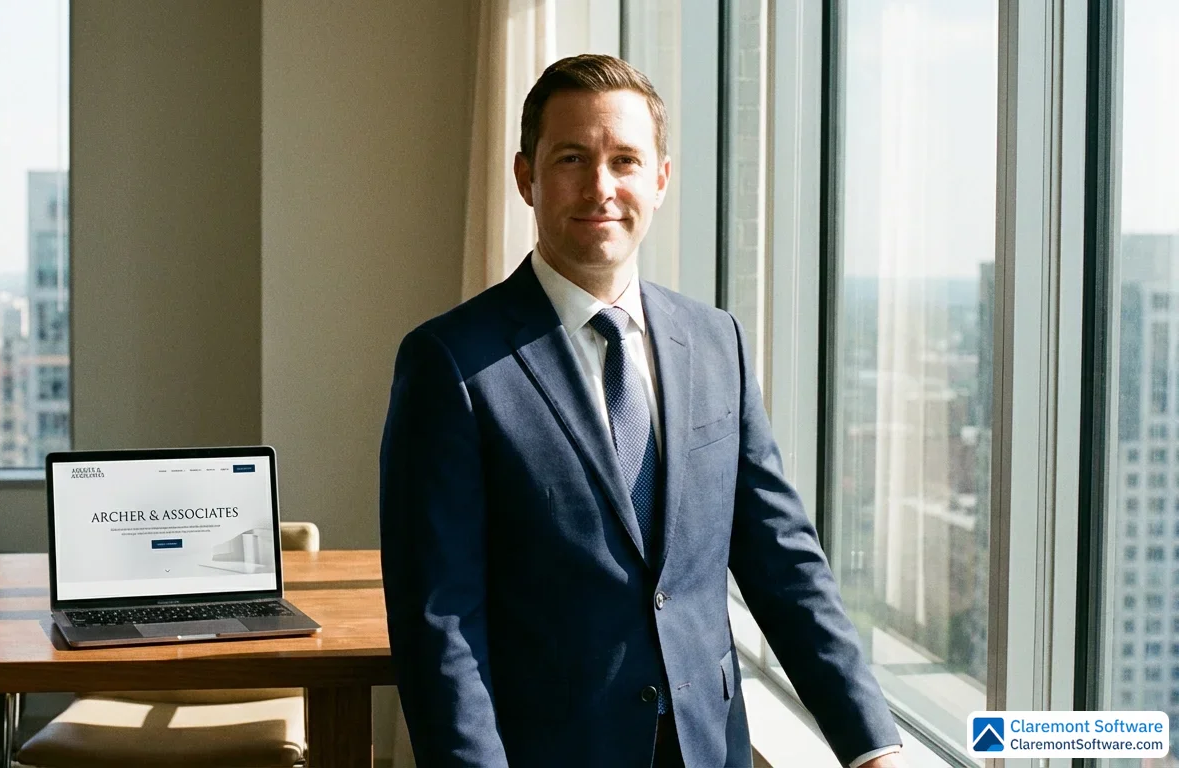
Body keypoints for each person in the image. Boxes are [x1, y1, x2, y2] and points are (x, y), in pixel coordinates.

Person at [380, 54, 905, 768]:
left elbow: (784, 561)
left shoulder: (716, 341)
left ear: (659, 178)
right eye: (572, 158)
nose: (601, 187)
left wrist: (871, 744)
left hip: (709, 749)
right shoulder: (450, 364)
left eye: (625, 160)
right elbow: (440, 624)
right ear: (526, 177)